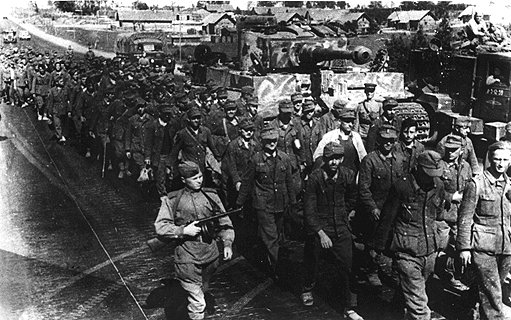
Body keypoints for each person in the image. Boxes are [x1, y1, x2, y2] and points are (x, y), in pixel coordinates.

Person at [371, 150, 447, 320]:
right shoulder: (402, 186)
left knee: (410, 294)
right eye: (428, 174)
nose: (431, 178)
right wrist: (377, 247)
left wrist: (441, 243)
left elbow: (439, 216)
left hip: (429, 251)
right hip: (406, 251)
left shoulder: (438, 186)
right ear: (418, 168)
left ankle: (394, 314)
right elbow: (387, 218)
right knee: (419, 305)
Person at [154, 161, 235, 320]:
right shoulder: (173, 200)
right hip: (186, 258)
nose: (199, 180)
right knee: (198, 303)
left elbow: (225, 223)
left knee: (201, 291)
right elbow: (160, 227)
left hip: (210, 256)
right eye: (194, 178)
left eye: (200, 177)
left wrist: (227, 243)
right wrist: (183, 231)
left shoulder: (211, 196)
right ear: (184, 180)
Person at [301, 141, 363, 320]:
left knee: (347, 265)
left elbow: (353, 197)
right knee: (312, 258)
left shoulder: (347, 175)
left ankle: (349, 306)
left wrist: (347, 213)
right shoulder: (315, 178)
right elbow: (309, 211)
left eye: (338, 158)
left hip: (341, 226)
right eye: (331, 159)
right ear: (325, 159)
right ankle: (307, 288)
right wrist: (320, 233)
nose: (334, 163)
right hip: (320, 227)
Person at [457, 141, 511, 320]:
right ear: (489, 160)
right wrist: (464, 248)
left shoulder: (509, 185)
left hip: (506, 246)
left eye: (504, 159)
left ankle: (469, 305)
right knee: (493, 290)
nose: (500, 163)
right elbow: (465, 217)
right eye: (496, 159)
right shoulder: (477, 184)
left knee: (492, 283)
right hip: (483, 246)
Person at [236, 126, 296, 278]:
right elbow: (247, 182)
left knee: (278, 235)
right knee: (271, 237)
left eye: (274, 140)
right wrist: (239, 202)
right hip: (263, 204)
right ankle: (280, 271)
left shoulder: (285, 158)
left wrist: (293, 201)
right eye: (268, 141)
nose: (272, 143)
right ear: (263, 142)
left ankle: (272, 261)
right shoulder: (256, 159)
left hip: (281, 203)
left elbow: (289, 181)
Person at [358, 124, 401, 287]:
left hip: (394, 210)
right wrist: (372, 208)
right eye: (384, 141)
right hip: (377, 209)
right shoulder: (370, 160)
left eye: (391, 141)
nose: (388, 144)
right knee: (373, 244)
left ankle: (395, 273)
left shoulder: (399, 160)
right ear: (379, 141)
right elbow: (363, 188)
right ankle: (371, 270)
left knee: (395, 243)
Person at [435, 134, 472, 291]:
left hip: (459, 216)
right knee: (438, 248)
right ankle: (432, 277)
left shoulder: (466, 167)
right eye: (448, 149)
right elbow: (433, 190)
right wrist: (451, 196)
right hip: (442, 215)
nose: (450, 153)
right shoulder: (439, 166)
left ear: (461, 150)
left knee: (457, 247)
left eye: (454, 150)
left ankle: (451, 276)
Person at [313, 108, 366, 174]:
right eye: (347, 121)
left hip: (352, 173)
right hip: (335, 174)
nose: (350, 124)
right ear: (340, 121)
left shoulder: (356, 137)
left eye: (352, 122)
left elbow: (363, 157)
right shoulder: (330, 136)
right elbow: (317, 155)